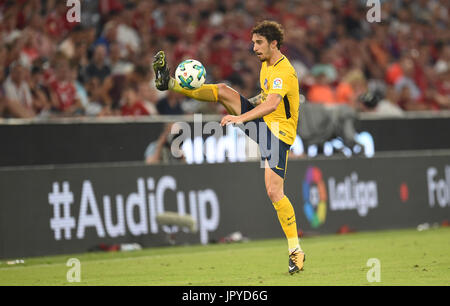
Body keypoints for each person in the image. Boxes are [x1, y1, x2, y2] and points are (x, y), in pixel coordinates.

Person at [152, 20, 305, 274]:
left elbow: (273, 104)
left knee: (274, 192)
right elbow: (263, 100)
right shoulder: (266, 66)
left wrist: (240, 117)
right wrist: (242, 105)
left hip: (278, 135)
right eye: (253, 42)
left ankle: (296, 251)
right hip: (264, 125)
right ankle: (168, 83)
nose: (253, 47)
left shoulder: (283, 71)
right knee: (224, 90)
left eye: (259, 42)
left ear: (274, 43)